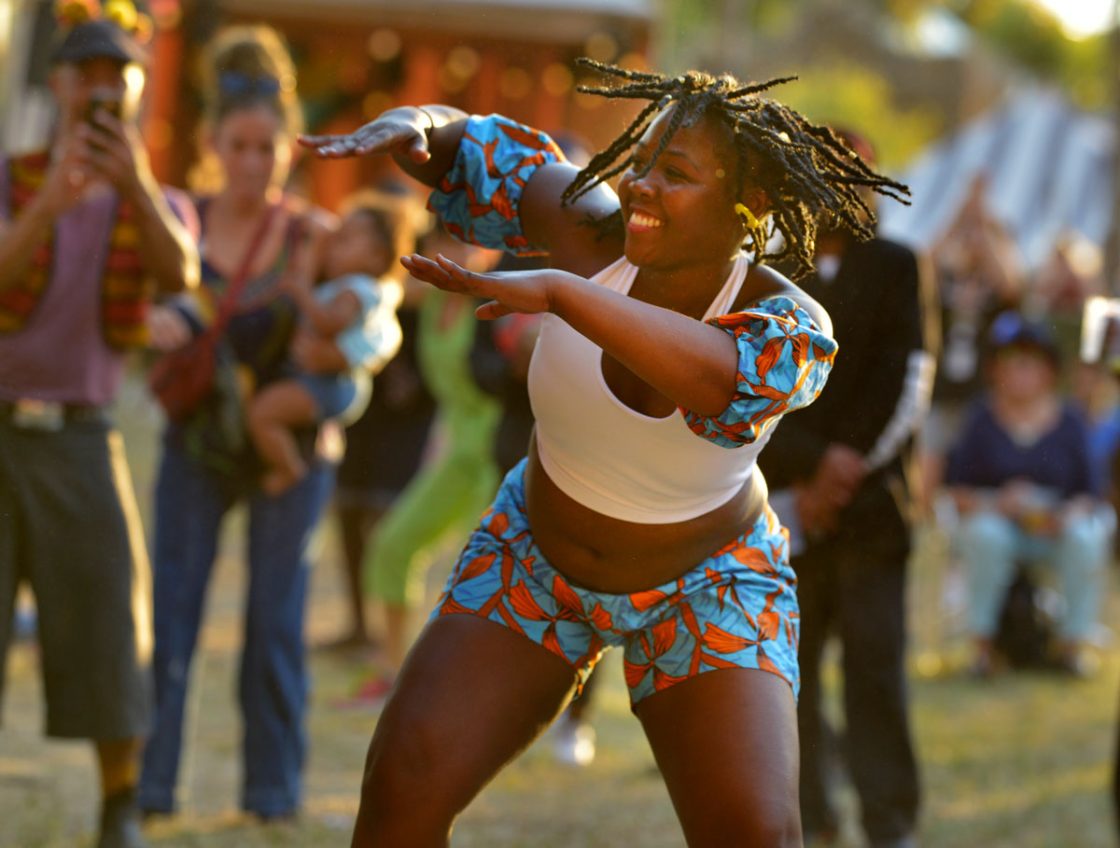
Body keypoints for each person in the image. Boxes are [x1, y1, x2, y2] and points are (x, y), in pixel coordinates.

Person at [302, 60, 907, 846]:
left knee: (756, 832)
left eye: (677, 173)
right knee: (403, 778)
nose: (645, 184)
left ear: (747, 205)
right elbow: (483, 150)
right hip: (536, 560)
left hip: (707, 584)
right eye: (646, 161)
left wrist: (564, 294)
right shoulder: (588, 226)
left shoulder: (787, 320)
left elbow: (724, 382)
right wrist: (426, 127)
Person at [0, 4, 199, 846]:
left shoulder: (152, 196)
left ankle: (120, 805)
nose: (101, 104)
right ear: (61, 86)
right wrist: (49, 202)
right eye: (89, 87)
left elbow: (181, 273)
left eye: (117, 91)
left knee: (112, 623)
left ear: (136, 95)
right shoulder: (14, 178)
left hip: (84, 429)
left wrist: (135, 183)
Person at [137, 25, 339, 821]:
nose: (255, 163)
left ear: (289, 147)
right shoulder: (178, 222)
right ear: (214, 142)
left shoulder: (310, 237)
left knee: (273, 626)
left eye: (269, 148)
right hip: (197, 442)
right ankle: (149, 790)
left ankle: (271, 797)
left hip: (289, 450)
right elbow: (135, 310)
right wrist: (154, 325)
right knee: (172, 616)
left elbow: (357, 349)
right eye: (240, 147)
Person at [758, 130, 932, 848]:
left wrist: (844, 466)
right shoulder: (767, 270)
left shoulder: (897, 266)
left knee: (874, 668)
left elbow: (908, 378)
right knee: (784, 677)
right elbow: (750, 381)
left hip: (870, 508)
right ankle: (808, 816)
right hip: (782, 505)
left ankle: (888, 822)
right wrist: (806, 464)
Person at [339, 224, 502, 704]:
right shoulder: (430, 301)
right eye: (443, 244)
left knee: (483, 578)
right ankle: (392, 671)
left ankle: (482, 692)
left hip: (502, 459)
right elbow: (383, 287)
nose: (455, 254)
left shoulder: (495, 301)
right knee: (392, 544)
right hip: (457, 457)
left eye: (465, 242)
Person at [945, 311, 1111, 678]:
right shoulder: (981, 419)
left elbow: (1090, 493)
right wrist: (996, 504)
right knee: (985, 535)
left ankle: (1072, 647)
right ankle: (982, 650)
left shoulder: (1070, 420)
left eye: (1029, 364)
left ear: (1049, 371)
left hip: (1055, 526)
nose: (1019, 373)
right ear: (995, 370)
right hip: (999, 523)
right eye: (1010, 364)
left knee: (1087, 537)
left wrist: (1066, 516)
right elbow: (956, 491)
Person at [247, 192, 407, 495]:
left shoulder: (357, 290)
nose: (332, 248)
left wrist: (302, 292)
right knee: (263, 412)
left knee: (262, 414)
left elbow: (330, 323)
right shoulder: (346, 284)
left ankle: (287, 468)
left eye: (344, 241)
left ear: (376, 257)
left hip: (329, 385)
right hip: (320, 380)